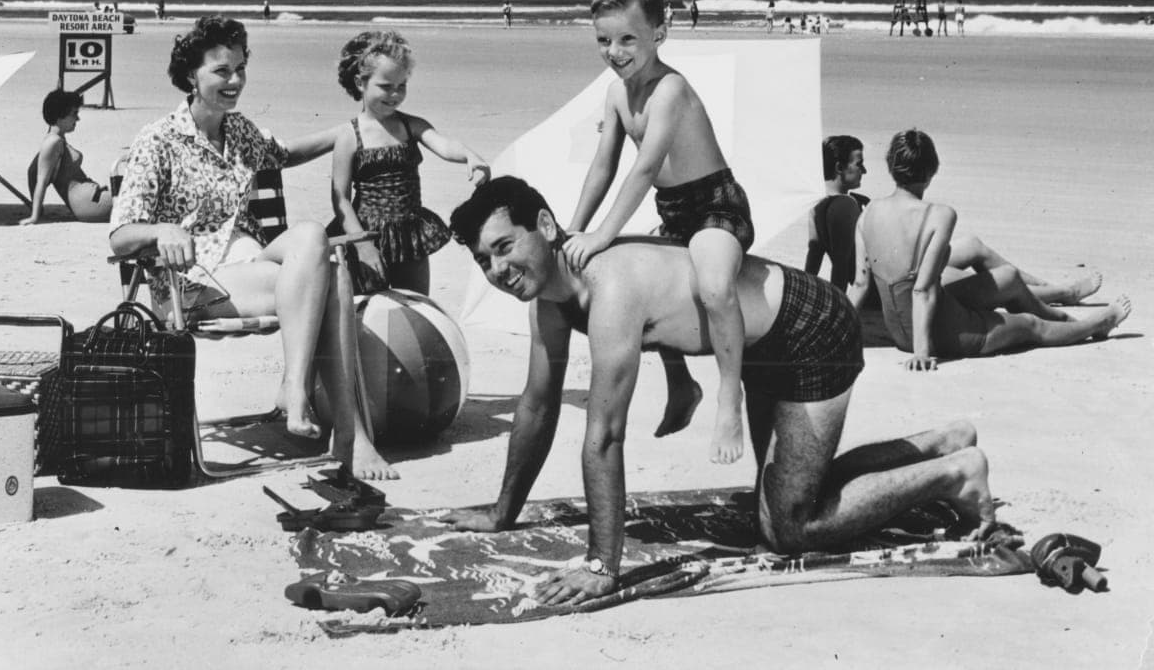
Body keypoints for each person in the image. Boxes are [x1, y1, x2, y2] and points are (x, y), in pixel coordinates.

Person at [445, 177, 997, 607]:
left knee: (790, 527)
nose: (498, 269)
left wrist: (600, 568)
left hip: (811, 330)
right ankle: (939, 441)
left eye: (504, 246)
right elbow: (537, 405)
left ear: (544, 224)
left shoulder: (607, 287)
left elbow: (605, 437)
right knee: (780, 503)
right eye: (483, 260)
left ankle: (955, 472)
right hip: (758, 342)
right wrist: (502, 512)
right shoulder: (554, 296)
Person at [110, 14, 396, 481]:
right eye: (222, 71)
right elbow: (120, 235)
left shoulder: (239, 131)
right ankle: (344, 427)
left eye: (240, 68)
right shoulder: (157, 140)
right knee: (333, 278)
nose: (235, 80)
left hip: (248, 264)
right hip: (188, 283)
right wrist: (162, 230)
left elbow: (284, 154)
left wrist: (350, 130)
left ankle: (299, 389)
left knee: (310, 235)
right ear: (191, 76)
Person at [564, 0, 754, 464]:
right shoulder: (615, 94)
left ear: (658, 34)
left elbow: (645, 167)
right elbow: (603, 166)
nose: (615, 51)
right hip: (674, 213)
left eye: (628, 39)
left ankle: (730, 398)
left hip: (717, 207)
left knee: (713, 286)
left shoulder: (670, 89)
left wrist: (605, 233)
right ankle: (680, 384)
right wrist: (574, 227)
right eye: (604, 40)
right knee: (638, 292)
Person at [850, 130, 1130, 367]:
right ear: (931, 170)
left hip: (901, 334)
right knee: (1031, 325)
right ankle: (1096, 324)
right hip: (944, 334)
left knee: (1008, 278)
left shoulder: (869, 211)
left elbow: (861, 285)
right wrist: (922, 352)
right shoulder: (939, 214)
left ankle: (1065, 313)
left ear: (892, 167)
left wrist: (837, 334)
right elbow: (922, 289)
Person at [331, 30, 491, 295]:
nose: (395, 94)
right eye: (386, 86)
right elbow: (341, 199)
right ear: (361, 83)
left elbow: (444, 144)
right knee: (366, 310)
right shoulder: (349, 137)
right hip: (365, 235)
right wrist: (361, 245)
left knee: (416, 304)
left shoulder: (411, 125)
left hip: (409, 233)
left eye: (401, 86)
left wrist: (469, 156)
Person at [21, 90, 112, 225]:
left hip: (90, 199)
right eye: (74, 114)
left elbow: (33, 172)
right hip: (89, 203)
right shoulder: (53, 142)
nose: (78, 119)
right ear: (59, 117)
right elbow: (40, 179)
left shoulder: (54, 140)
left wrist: (37, 209)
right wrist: (35, 216)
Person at [803, 135, 868, 291]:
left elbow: (814, 258)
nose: (864, 171)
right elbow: (841, 267)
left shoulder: (816, 205)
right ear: (839, 168)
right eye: (859, 164)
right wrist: (839, 308)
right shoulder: (845, 204)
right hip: (873, 296)